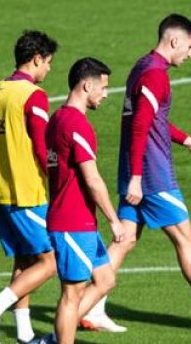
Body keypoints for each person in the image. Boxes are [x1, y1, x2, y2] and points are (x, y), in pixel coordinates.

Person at [80, 14, 191, 331]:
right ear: (173, 40)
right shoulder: (155, 75)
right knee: (186, 239)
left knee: (125, 239)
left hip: (138, 171)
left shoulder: (143, 67)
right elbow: (140, 126)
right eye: (189, 46)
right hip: (152, 176)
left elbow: (154, 120)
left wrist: (190, 142)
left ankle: (92, 306)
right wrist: (137, 177)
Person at [0, 31, 59, 344]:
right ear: (36, 59)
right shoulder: (33, 95)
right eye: (48, 62)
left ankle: (24, 336)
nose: (48, 69)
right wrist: (57, 175)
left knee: (24, 260)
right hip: (24, 193)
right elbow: (41, 144)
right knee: (50, 261)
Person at [37, 58, 126, 344]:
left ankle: (55, 338)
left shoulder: (56, 119)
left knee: (105, 280)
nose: (106, 94)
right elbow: (93, 179)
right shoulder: (77, 124)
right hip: (72, 223)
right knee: (71, 293)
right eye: (103, 87)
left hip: (77, 221)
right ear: (87, 85)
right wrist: (114, 220)